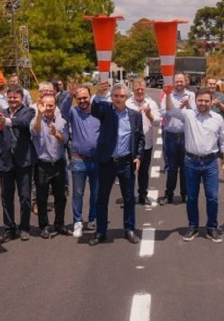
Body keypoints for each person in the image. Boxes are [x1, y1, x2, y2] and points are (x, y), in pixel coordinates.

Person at [165, 87, 224, 242]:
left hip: (210, 163)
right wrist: (168, 92)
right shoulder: (188, 115)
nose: (203, 103)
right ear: (196, 101)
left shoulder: (217, 118)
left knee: (212, 197)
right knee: (192, 197)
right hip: (191, 163)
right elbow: (170, 110)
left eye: (206, 100)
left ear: (211, 101)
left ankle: (212, 228)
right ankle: (193, 227)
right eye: (200, 100)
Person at [88, 83, 144, 246]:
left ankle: (129, 229)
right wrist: (99, 93)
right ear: (112, 97)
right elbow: (94, 109)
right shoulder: (105, 110)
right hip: (107, 162)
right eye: (115, 96)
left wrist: (138, 156)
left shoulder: (135, 115)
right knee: (102, 198)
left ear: (127, 98)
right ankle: (101, 231)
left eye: (122, 96)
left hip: (126, 162)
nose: (118, 99)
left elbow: (139, 137)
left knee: (128, 199)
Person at [0, 85, 37, 242]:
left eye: (15, 97)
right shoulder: (1, 114)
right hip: (5, 161)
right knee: (6, 197)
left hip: (23, 160)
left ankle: (24, 227)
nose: (12, 100)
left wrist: (6, 121)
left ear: (21, 98)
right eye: (9, 97)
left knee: (24, 196)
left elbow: (23, 123)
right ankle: (9, 228)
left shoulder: (29, 111)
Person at [62, 82, 101, 238]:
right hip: (79, 160)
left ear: (90, 97)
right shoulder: (73, 112)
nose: (83, 101)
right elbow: (63, 110)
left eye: (85, 97)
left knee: (96, 192)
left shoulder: (98, 113)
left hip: (97, 160)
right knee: (78, 193)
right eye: (79, 98)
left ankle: (93, 218)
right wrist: (69, 95)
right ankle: (77, 222)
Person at [31, 94, 70, 238]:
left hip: (58, 164)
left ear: (55, 106)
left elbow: (64, 140)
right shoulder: (36, 120)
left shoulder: (61, 121)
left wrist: (56, 134)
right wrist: (39, 116)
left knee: (60, 197)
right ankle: (44, 226)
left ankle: (59, 224)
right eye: (46, 105)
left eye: (51, 105)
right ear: (41, 106)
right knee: (42, 198)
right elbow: (34, 131)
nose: (48, 108)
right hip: (42, 165)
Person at [159, 73, 196, 205]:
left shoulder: (191, 95)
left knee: (186, 167)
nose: (179, 83)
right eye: (177, 81)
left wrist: (188, 106)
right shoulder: (167, 95)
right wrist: (178, 108)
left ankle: (185, 194)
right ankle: (168, 194)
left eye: (181, 81)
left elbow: (195, 114)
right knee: (172, 167)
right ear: (173, 82)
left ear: (185, 82)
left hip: (186, 135)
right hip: (171, 135)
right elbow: (164, 113)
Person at [126, 79, 160, 205]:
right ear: (133, 90)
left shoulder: (151, 103)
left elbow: (158, 123)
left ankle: (142, 195)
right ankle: (128, 196)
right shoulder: (127, 103)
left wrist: (149, 114)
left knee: (144, 171)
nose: (140, 92)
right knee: (129, 172)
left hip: (146, 143)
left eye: (142, 89)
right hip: (130, 144)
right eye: (137, 89)